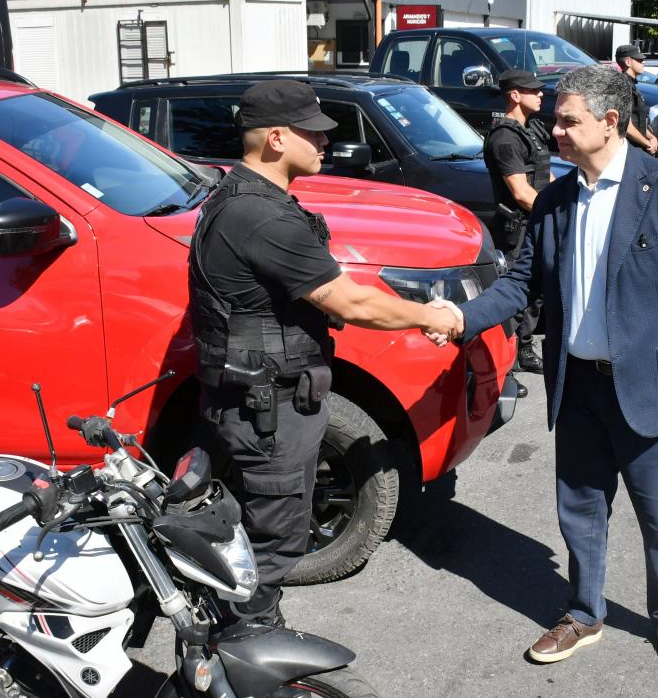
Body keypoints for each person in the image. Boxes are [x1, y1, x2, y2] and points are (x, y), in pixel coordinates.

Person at [438, 64, 658, 678]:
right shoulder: (557, 199)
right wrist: (461, 318)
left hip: (647, 388)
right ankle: (585, 611)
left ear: (610, 122)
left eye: (569, 121)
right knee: (581, 510)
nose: (556, 132)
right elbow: (520, 282)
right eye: (556, 121)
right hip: (578, 387)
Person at [190, 79, 461, 627]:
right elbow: (349, 301)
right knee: (273, 541)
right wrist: (433, 316)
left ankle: (246, 628)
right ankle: (245, 641)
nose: (324, 142)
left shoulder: (239, 196)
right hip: (267, 410)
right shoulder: (260, 215)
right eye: (312, 132)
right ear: (275, 138)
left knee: (262, 526)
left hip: (260, 401)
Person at [483, 69, 553, 376]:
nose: (540, 94)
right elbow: (521, 193)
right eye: (533, 90)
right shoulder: (505, 138)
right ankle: (504, 370)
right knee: (515, 294)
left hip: (536, 221)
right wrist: (556, 211)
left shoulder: (532, 128)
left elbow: (544, 175)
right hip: (518, 228)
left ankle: (523, 350)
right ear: (514, 95)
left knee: (536, 292)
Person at [612, 44, 658, 155]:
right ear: (628, 62)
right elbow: (626, 126)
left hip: (638, 148)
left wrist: (651, 137)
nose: (643, 62)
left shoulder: (631, 84)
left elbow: (638, 122)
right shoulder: (623, 86)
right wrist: (647, 143)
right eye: (639, 60)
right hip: (630, 151)